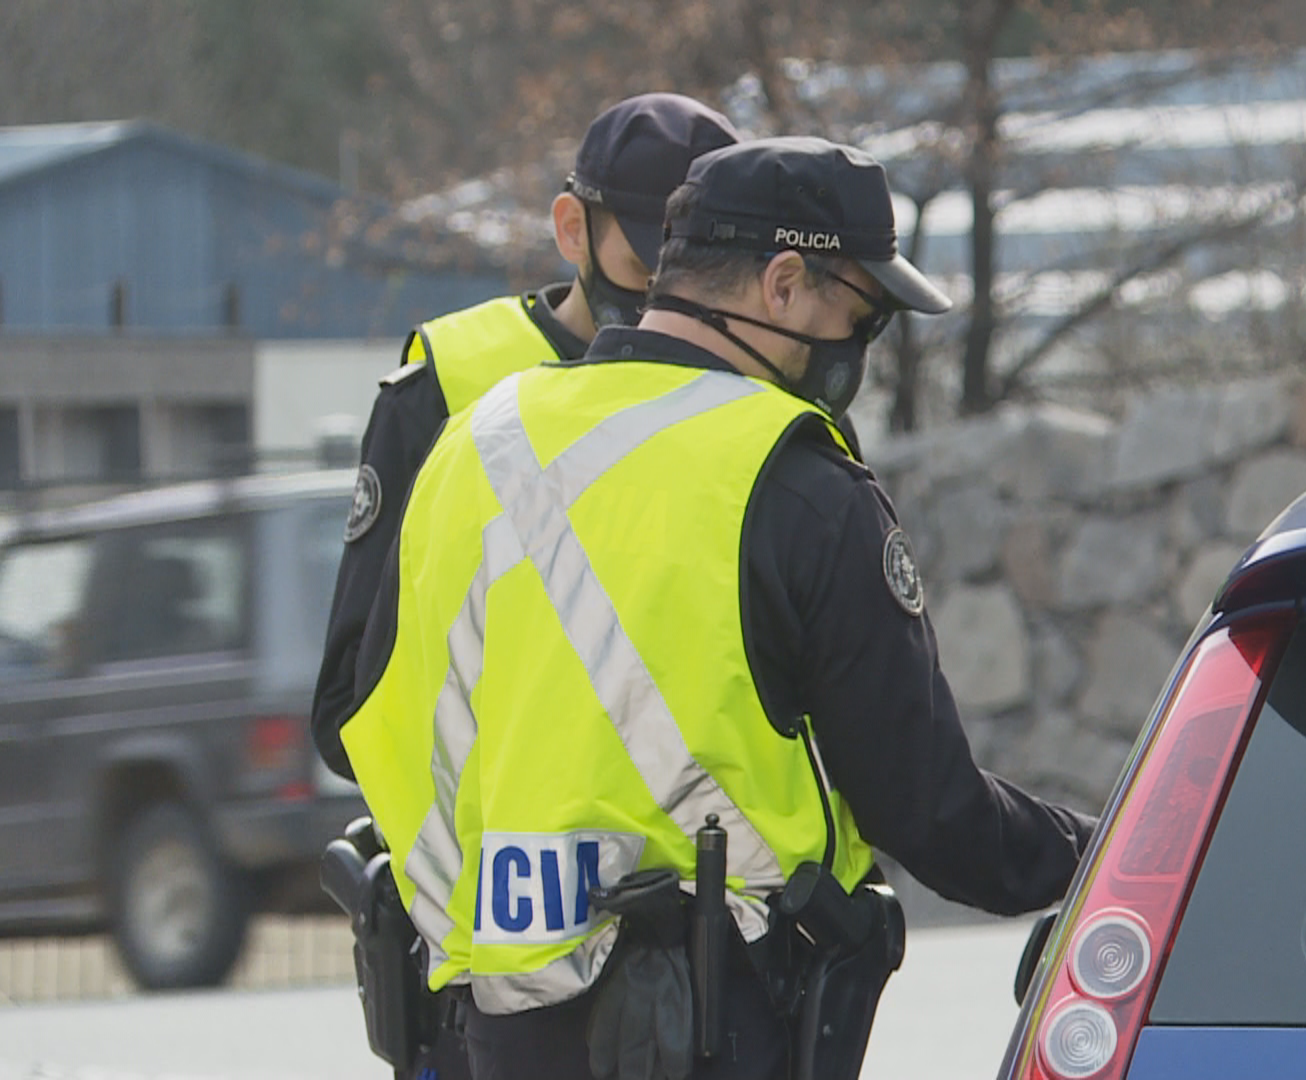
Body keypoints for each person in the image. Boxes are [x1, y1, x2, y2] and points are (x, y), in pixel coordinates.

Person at [341, 136, 1096, 1080]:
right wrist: (1105, 857)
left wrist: (485, 923)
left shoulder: (471, 446)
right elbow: (928, 808)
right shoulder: (795, 480)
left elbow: (374, 725)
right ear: (782, 284)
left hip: (495, 1024)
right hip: (719, 1020)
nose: (856, 352)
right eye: (857, 316)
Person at [311, 93, 739, 778]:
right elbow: (351, 711)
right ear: (573, 229)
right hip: (507, 862)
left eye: (701, 280)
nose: (668, 304)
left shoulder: (756, 398)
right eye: (648, 270)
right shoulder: (451, 382)